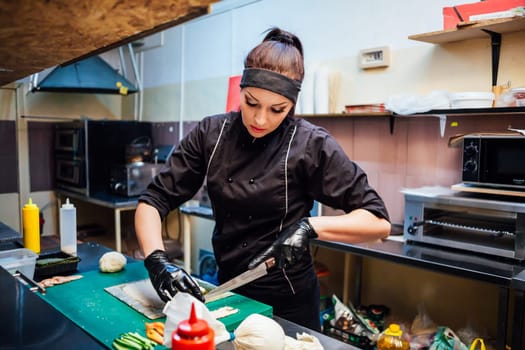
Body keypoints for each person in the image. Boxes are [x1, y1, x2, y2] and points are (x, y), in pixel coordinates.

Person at [134, 27, 391, 331]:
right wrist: (156, 261)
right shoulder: (210, 134)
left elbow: (378, 222)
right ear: (240, 90)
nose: (260, 119)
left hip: (289, 303)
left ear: (291, 105)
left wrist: (309, 228)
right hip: (227, 291)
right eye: (251, 102)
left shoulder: (310, 144)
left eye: (276, 109)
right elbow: (154, 200)